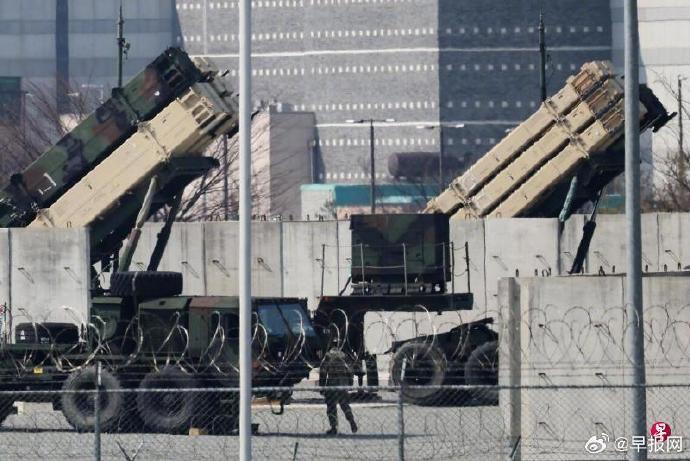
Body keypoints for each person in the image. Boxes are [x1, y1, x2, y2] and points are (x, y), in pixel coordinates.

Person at [319, 342, 358, 435]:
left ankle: (334, 427)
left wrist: (322, 387)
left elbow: (323, 371)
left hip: (332, 383)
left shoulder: (328, 356)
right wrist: (350, 383)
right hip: (343, 383)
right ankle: (351, 420)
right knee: (345, 405)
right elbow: (350, 370)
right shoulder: (344, 356)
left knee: (331, 406)